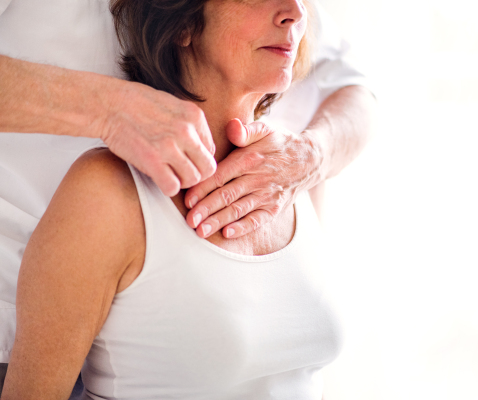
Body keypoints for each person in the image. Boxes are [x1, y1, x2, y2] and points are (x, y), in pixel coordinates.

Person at [0, 0, 374, 379]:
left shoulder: (291, 186)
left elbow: (353, 88)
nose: (294, 11)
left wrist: (311, 156)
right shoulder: (101, 192)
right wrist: (109, 109)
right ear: (182, 26)